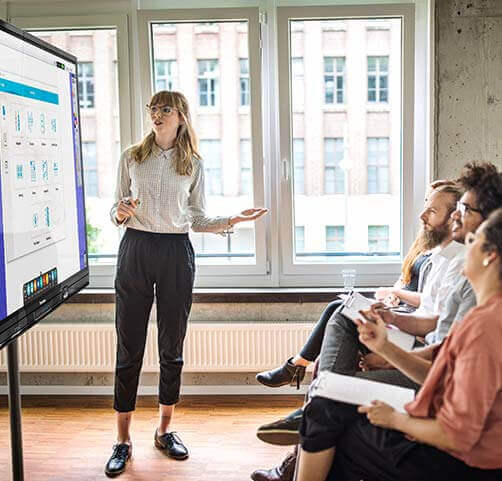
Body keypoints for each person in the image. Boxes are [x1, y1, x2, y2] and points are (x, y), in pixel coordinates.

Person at [250, 162, 502, 481]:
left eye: (463, 209)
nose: (455, 218)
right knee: (337, 337)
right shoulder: (480, 310)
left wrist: (399, 418)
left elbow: (458, 424)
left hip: (459, 454)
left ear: (489, 245)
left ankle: (313, 412)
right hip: (437, 404)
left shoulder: (487, 320)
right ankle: (317, 404)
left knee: (331, 413)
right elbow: (445, 360)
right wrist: (385, 344)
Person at [104, 90, 267, 477]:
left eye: (164, 110)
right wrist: (120, 212)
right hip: (136, 249)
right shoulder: (132, 156)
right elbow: (115, 209)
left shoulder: (192, 163)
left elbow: (196, 217)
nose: (156, 115)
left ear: (180, 116)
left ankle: (164, 430)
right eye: (152, 110)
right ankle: (122, 441)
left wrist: (233, 220)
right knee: (129, 346)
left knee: (171, 345)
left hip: (177, 252)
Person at [255, 181, 455, 391]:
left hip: (414, 329)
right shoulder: (430, 250)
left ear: (454, 218)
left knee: (341, 312)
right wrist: (392, 296)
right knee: (340, 308)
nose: (423, 215)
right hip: (406, 314)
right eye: (425, 204)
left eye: (431, 209)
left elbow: (432, 310)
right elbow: (409, 284)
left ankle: (303, 373)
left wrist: (397, 298)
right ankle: (307, 383)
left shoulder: (450, 259)